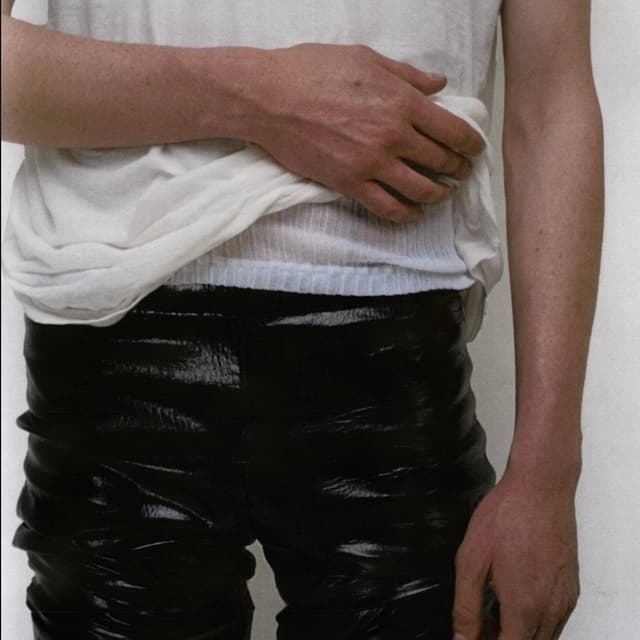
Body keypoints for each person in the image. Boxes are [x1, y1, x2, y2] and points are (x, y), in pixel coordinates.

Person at [1, 1, 604, 639]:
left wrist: (546, 478)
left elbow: (552, 105)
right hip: (120, 344)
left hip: (393, 363)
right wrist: (258, 97)